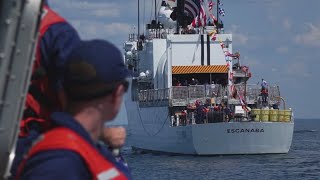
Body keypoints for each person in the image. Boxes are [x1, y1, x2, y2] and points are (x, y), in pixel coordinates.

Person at [11, 1, 127, 177]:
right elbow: (81, 91)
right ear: (116, 94)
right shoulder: (56, 33)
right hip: (33, 141)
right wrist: (104, 134)